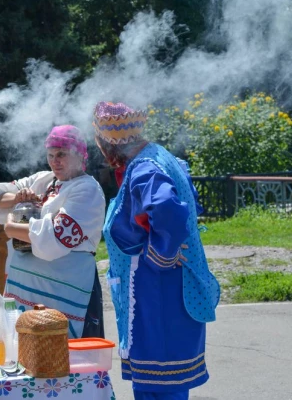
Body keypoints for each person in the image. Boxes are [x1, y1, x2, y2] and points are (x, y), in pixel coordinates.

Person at [92, 101, 220, 400]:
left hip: (158, 293)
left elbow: (167, 210)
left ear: (107, 142)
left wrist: (161, 255)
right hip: (162, 291)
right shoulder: (159, 156)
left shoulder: (144, 168)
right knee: (166, 387)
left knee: (160, 387)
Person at [0, 125, 106, 338]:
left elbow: (56, 238)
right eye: (50, 155)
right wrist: (18, 198)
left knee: (58, 350)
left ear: (80, 155)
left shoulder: (87, 189)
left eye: (61, 154)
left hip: (62, 289)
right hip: (24, 288)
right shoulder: (44, 179)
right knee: (20, 345)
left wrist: (11, 228)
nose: (54, 161)